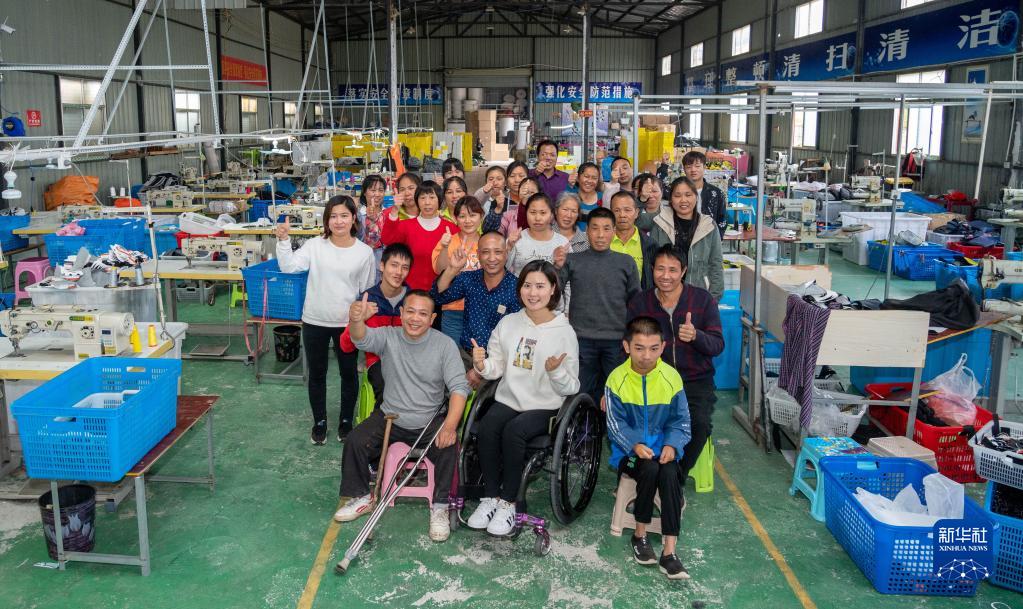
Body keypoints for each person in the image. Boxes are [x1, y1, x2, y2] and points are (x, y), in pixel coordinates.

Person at [338, 291, 470, 543]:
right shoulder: (389, 336)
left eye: (422, 313)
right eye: (410, 311)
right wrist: (356, 320)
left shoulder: (444, 345)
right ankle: (362, 496)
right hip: (391, 415)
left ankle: (440, 506)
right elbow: (360, 339)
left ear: (432, 319)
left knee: (449, 446)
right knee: (355, 440)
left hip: (428, 419)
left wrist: (450, 426)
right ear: (401, 313)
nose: (415, 318)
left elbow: (458, 388)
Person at [466, 260, 580, 536]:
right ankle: (490, 497)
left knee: (515, 431)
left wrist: (555, 372)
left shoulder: (564, 332)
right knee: (488, 426)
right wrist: (481, 365)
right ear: (520, 289)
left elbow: (572, 386)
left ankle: (509, 502)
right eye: (527, 285)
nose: (533, 292)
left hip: (546, 405)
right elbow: (497, 367)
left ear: (553, 289)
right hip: (510, 398)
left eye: (540, 286)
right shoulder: (509, 323)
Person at [276, 196, 376, 444]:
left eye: (344, 215)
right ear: (327, 220)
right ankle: (319, 421)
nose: (339, 221)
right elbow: (289, 267)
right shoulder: (314, 246)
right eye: (333, 216)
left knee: (348, 374)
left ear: (354, 218)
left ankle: (346, 421)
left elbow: (366, 291)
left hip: (346, 324)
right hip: (314, 321)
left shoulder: (364, 253)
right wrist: (284, 240)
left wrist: (361, 318)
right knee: (317, 374)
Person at [627, 245, 723, 485]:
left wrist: (697, 336)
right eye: (660, 269)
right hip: (652, 380)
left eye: (673, 269)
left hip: (694, 381)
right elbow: (627, 346)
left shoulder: (702, 300)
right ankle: (644, 473)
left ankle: (674, 479)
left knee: (699, 424)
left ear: (684, 271)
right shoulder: (641, 303)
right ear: (652, 270)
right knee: (634, 422)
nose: (666, 276)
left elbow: (717, 345)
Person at [605, 315, 691, 580]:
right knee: (649, 469)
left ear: (663, 347)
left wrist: (672, 445)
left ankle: (669, 551)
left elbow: (681, 421)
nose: (646, 356)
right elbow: (614, 424)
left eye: (654, 348)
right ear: (627, 347)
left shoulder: (672, 378)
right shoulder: (616, 380)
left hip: (662, 450)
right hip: (628, 454)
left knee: (669, 472)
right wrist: (634, 444)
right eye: (639, 348)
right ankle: (639, 535)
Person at [554, 207, 639, 403]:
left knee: (616, 395)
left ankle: (611, 424)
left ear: (614, 231)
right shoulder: (572, 260)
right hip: (581, 339)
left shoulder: (626, 262)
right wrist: (557, 266)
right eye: (595, 228)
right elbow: (553, 290)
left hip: (616, 341)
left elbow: (635, 302)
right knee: (580, 395)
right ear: (587, 231)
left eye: (606, 228)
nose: (600, 235)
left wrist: (631, 337)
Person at [432, 231, 522, 385]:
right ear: (478, 255)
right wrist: (452, 269)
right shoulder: (469, 279)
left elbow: (516, 336)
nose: (492, 258)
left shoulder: (516, 288)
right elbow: (438, 297)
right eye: (485, 252)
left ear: (506, 254)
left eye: (498, 252)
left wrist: (480, 370)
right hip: (464, 356)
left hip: (498, 363)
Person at [340, 243, 413, 409]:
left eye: (405, 267)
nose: (399, 272)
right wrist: (357, 320)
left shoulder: (413, 301)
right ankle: (383, 424)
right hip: (378, 363)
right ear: (382, 266)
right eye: (394, 265)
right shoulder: (367, 300)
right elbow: (346, 346)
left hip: (410, 361)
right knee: (388, 390)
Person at [644, 176, 724, 301]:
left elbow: (716, 264)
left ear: (696, 197)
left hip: (698, 295)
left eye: (688, 195)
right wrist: (642, 199)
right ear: (670, 199)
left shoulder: (708, 225)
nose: (683, 200)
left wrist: (713, 299)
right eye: (677, 195)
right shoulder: (659, 220)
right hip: (663, 295)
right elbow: (635, 220)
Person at [382, 180, 458, 291]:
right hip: (411, 291)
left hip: (442, 291)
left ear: (439, 200)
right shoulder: (406, 226)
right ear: (417, 201)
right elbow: (387, 240)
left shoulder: (451, 229)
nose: (427, 202)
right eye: (422, 198)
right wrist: (394, 211)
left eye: (432, 197)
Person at [432, 196, 484, 344]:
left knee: (478, 353)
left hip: (481, 309)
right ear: (455, 219)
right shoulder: (449, 241)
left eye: (472, 215)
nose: (468, 220)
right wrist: (445, 247)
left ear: (481, 216)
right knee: (452, 352)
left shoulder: (486, 243)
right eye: (462, 216)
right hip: (453, 310)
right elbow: (439, 270)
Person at [505, 193, 570, 277]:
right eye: (533, 212)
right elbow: (502, 270)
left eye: (543, 213)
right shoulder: (515, 239)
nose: (537, 218)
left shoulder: (562, 243)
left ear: (551, 215)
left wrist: (558, 266)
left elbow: (569, 278)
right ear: (526, 213)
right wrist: (509, 247)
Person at [608, 190, 659, 289]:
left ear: (636, 213)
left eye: (627, 210)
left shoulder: (650, 245)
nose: (622, 215)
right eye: (617, 210)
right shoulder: (603, 241)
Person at [682, 151, 726, 237]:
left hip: (708, 239)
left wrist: (716, 240)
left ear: (704, 167)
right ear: (684, 169)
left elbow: (722, 220)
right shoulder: (678, 192)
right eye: (689, 167)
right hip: (682, 239)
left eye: (697, 166)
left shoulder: (716, 193)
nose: (693, 170)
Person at [359, 174, 387, 269]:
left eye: (381, 190)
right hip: (364, 264)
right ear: (364, 192)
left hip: (385, 265)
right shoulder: (358, 216)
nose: (377, 194)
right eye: (373, 190)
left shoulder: (388, 214)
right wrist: (371, 221)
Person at [569, 162, 604, 229]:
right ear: (578, 178)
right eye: (586, 176)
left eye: (594, 178)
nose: (590, 181)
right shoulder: (570, 195)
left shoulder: (603, 198)